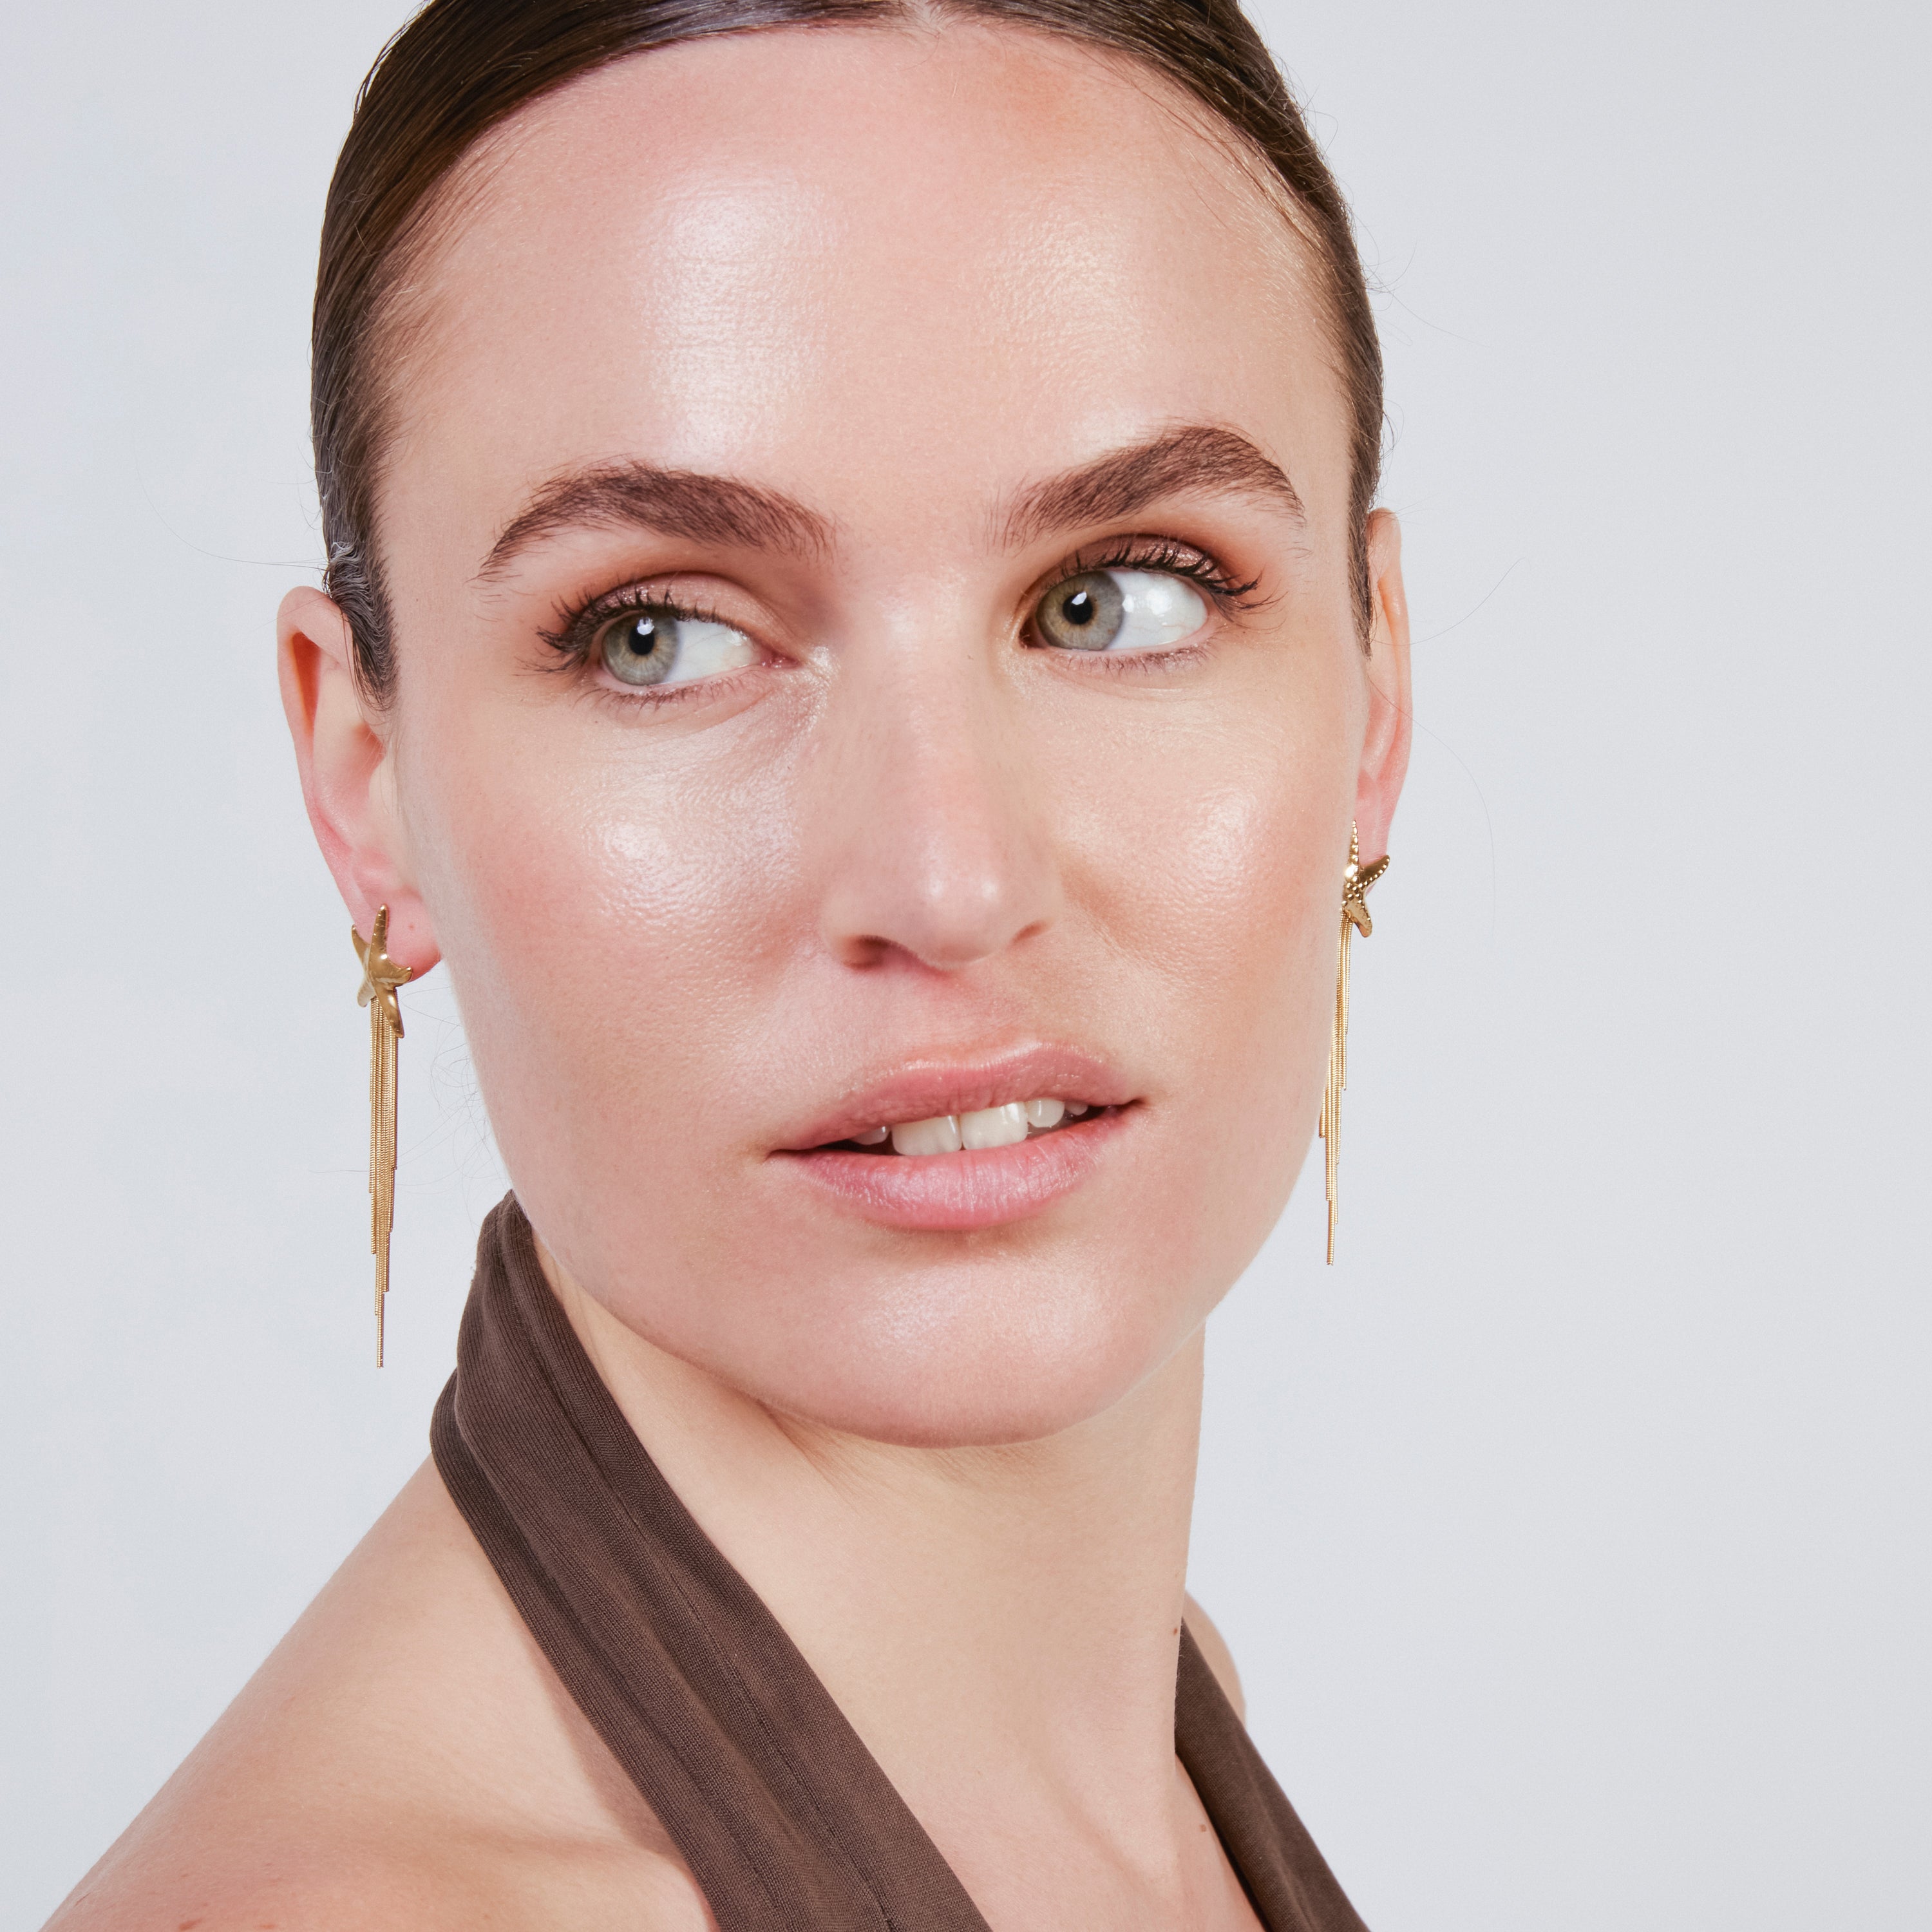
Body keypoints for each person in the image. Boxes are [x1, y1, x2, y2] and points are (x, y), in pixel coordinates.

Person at [48, 1, 1410, 1925]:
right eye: (658, 637)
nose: (951, 880)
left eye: (1117, 599)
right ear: (366, 781)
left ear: (1377, 693)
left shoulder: (1151, 1739)